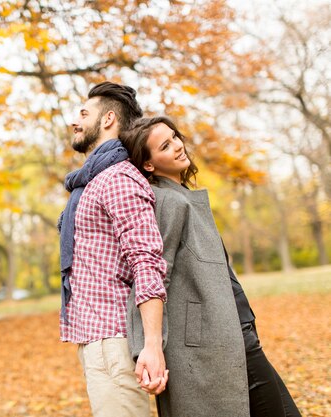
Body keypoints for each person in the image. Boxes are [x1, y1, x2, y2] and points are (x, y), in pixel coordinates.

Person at [123, 116, 301, 417]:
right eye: (165, 146)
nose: (178, 146)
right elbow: (151, 273)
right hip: (216, 340)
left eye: (175, 137)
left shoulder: (185, 198)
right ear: (149, 165)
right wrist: (147, 348)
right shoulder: (168, 202)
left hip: (236, 330)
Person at [58, 81, 169, 417]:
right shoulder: (91, 181)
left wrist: (152, 345)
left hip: (113, 339)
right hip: (96, 339)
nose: (74, 121)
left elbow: (147, 261)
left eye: (83, 113)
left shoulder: (118, 178)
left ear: (107, 120)